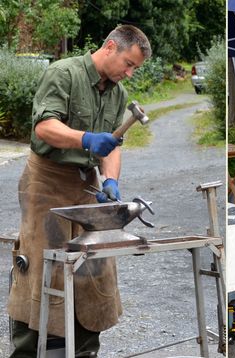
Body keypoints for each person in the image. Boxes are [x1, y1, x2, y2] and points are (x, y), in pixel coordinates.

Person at [7, 25, 151, 357]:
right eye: (128, 64)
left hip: (86, 183)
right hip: (46, 182)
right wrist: (85, 138)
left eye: (135, 69)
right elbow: (44, 127)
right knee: (43, 266)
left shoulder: (116, 94)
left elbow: (112, 147)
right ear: (111, 47)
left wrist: (111, 181)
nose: (129, 73)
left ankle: (85, 351)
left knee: (93, 265)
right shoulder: (64, 74)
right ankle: (29, 352)